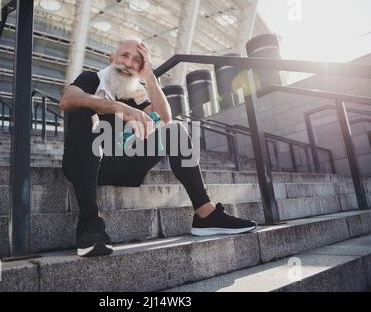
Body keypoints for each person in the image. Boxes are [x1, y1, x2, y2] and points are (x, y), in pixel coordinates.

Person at [59, 38, 257, 257]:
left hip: (121, 165)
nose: (129, 62)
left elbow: (165, 118)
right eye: (125, 55)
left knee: (175, 131)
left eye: (136, 60)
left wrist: (149, 76)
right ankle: (89, 223)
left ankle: (205, 213)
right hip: (82, 164)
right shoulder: (92, 79)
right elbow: (68, 99)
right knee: (81, 111)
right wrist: (118, 107)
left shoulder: (135, 92)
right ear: (112, 58)